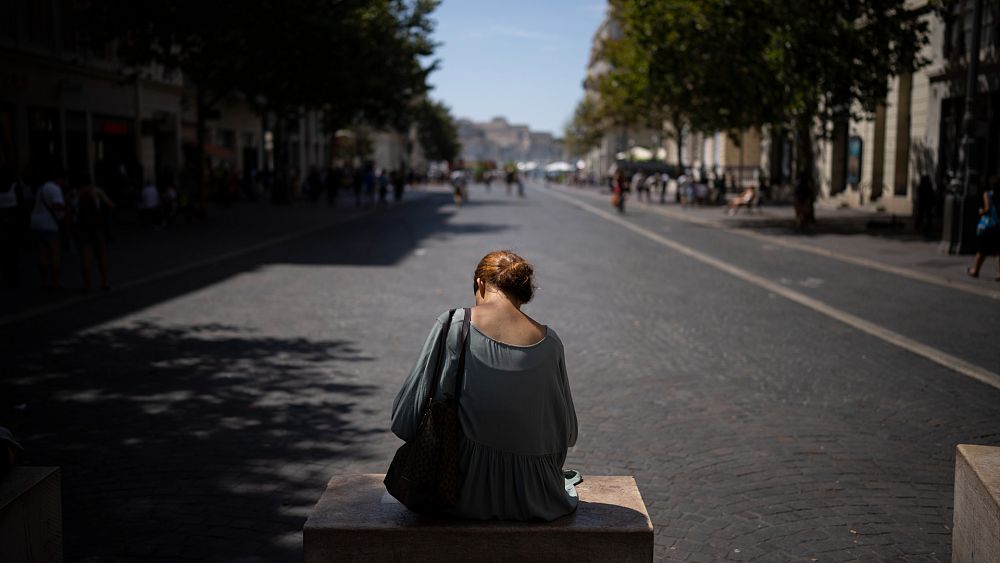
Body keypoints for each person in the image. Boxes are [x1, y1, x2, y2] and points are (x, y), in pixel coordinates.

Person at [390, 250, 579, 521]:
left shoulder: (454, 324)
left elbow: (404, 419)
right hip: (538, 496)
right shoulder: (551, 343)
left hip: (458, 492)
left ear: (480, 284)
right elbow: (568, 434)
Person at [71, 173, 115, 292]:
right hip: (96, 226)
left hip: (81, 227)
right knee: (101, 255)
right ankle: (104, 282)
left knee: (85, 256)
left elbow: (69, 210)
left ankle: (87, 285)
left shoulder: (74, 193)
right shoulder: (96, 191)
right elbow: (110, 204)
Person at [30, 167, 66, 288]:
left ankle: (44, 280)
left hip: (36, 221)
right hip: (49, 223)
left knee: (42, 252)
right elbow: (57, 205)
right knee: (55, 252)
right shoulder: (55, 189)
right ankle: (55, 281)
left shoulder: (41, 188)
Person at [967, 176, 1000, 281]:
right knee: (999, 252)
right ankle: (999, 274)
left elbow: (987, 209)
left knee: (982, 250)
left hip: (989, 226)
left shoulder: (988, 194)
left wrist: (980, 211)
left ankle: (975, 270)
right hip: (998, 226)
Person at [0, 165, 20, 288]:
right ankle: (12, 275)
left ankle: (7, 275)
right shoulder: (14, 187)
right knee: (11, 250)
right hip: (12, 220)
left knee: (5, 250)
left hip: (4, 220)